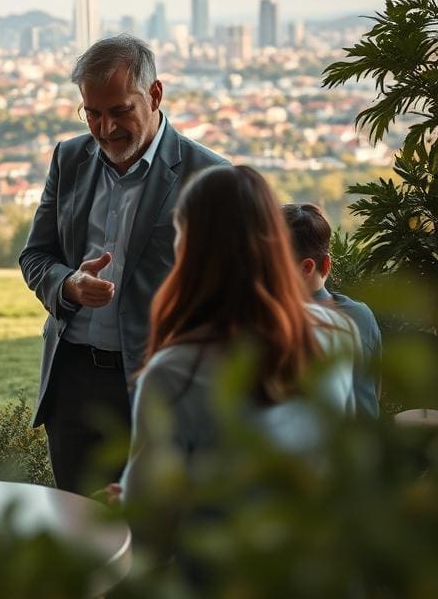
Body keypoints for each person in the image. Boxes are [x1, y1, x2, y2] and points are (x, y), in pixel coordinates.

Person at [19, 35, 229, 494]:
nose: (105, 128)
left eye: (118, 111)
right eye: (92, 113)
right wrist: (68, 284)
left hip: (159, 385)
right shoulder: (68, 158)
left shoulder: (210, 176)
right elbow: (35, 256)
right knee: (76, 522)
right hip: (72, 380)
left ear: (154, 95)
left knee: (153, 536)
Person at [119, 167, 358, 508]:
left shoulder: (175, 373)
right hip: (313, 554)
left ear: (189, 248)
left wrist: (126, 505)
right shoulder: (338, 332)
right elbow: (340, 464)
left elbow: (151, 535)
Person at [282, 203, 382, 418]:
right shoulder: (359, 316)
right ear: (327, 263)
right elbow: (369, 399)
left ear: (307, 267)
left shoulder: (269, 319)